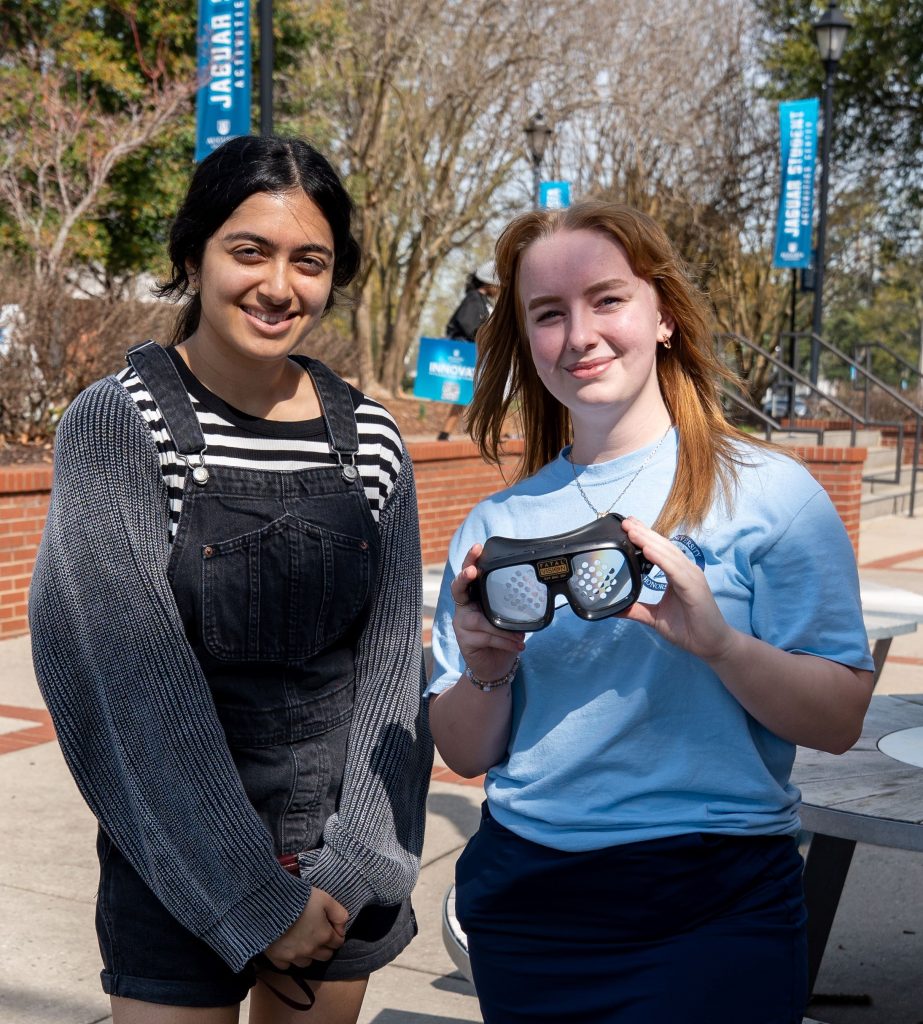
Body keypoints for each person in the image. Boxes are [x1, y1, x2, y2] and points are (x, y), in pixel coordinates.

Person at [426, 200, 874, 1024]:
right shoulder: (496, 527)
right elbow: (463, 748)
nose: (580, 334)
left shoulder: (767, 494)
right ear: (527, 341)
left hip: (714, 904)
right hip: (530, 908)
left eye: (606, 300)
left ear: (661, 313)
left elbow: (839, 719)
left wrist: (719, 646)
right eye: (548, 314)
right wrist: (486, 672)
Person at [29, 135, 433, 1024]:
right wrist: (247, 893)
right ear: (194, 254)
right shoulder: (122, 423)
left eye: (309, 261)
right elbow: (121, 683)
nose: (278, 286)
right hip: (175, 855)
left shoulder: (371, 441)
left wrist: (355, 862)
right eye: (248, 250)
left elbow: (395, 668)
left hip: (339, 865)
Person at [436, 260, 500, 440]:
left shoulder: (481, 300)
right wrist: (483, 335)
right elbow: (468, 324)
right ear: (489, 283)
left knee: (466, 395)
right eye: (498, 285)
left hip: (475, 355)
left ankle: (446, 433)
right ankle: (447, 433)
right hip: (468, 355)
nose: (499, 289)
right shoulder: (473, 299)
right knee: (467, 394)